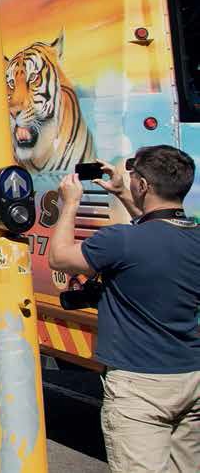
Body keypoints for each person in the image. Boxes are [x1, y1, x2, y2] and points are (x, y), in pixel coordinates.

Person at [48, 146, 200, 472]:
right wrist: (121, 192)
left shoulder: (120, 240)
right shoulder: (193, 236)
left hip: (139, 386)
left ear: (143, 185)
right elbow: (157, 230)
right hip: (191, 376)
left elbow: (59, 258)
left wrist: (69, 203)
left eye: (133, 178)